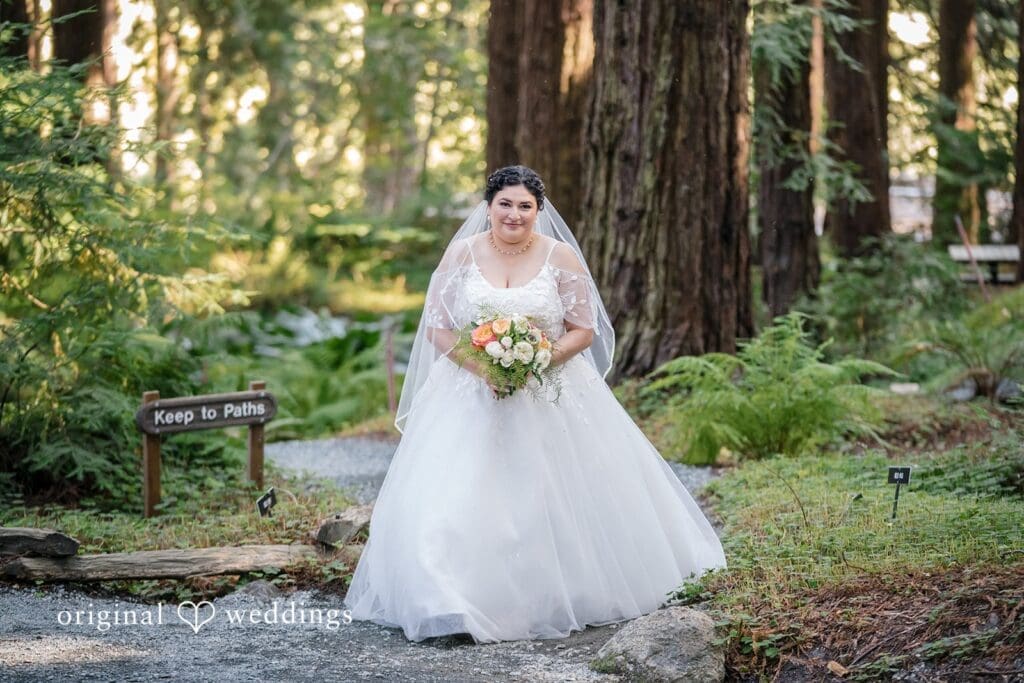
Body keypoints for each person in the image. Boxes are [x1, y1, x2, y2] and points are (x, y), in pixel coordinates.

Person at [343, 166, 726, 644]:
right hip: (467, 391)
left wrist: (534, 362)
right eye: (505, 203)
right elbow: (439, 329)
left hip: (550, 391)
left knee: (549, 496)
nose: (514, 214)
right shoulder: (461, 253)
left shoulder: (560, 257)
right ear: (488, 206)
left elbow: (583, 331)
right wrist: (485, 368)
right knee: (452, 496)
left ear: (539, 212)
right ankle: (445, 598)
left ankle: (549, 593)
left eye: (525, 206)